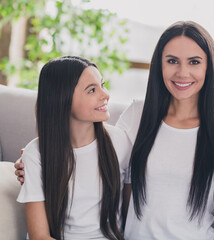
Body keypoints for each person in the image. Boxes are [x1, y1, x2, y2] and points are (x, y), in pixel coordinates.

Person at [15, 21, 214, 239]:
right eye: (171, 61)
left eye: (194, 61)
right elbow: (91, 158)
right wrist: (36, 162)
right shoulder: (137, 115)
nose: (182, 72)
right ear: (159, 65)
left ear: (210, 67)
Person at [16, 56, 131, 239]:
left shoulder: (120, 142)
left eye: (102, 84)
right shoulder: (36, 154)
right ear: (63, 99)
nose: (105, 95)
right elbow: (39, 236)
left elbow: (131, 217)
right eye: (92, 90)